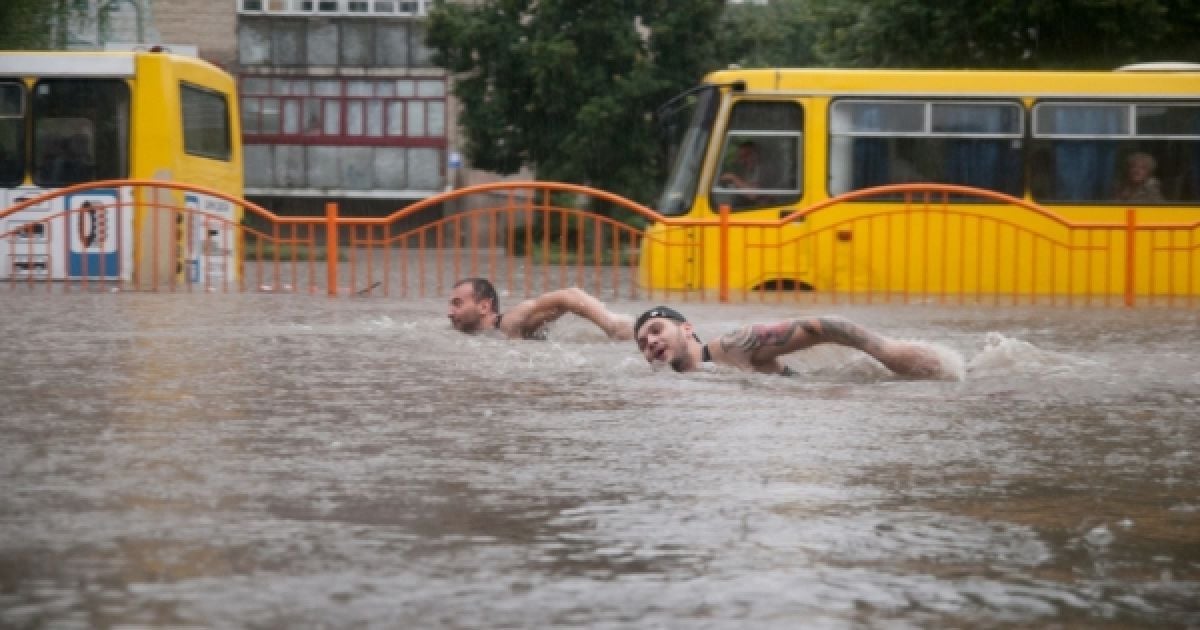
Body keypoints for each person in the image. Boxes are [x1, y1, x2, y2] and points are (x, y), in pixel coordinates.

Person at [632, 306, 955, 380]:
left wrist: (888, 352)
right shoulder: (672, 383)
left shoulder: (731, 346)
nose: (652, 342)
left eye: (657, 330)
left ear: (687, 329)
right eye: (644, 343)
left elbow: (821, 326)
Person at [447, 277, 633, 341]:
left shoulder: (510, 322)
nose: (449, 312)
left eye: (457, 304)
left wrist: (612, 326)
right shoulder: (478, 334)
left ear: (484, 306)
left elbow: (570, 295)